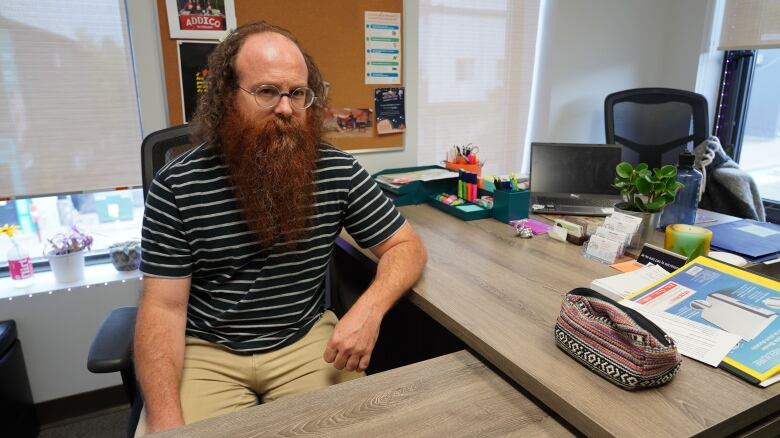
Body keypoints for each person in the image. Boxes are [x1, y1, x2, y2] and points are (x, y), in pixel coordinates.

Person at [134, 21, 427, 435]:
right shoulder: (177, 185)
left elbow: (406, 245)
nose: (287, 108)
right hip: (207, 350)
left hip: (304, 341)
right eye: (267, 92)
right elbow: (163, 309)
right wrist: (165, 421)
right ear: (227, 97)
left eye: (298, 93)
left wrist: (369, 309)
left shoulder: (334, 169)